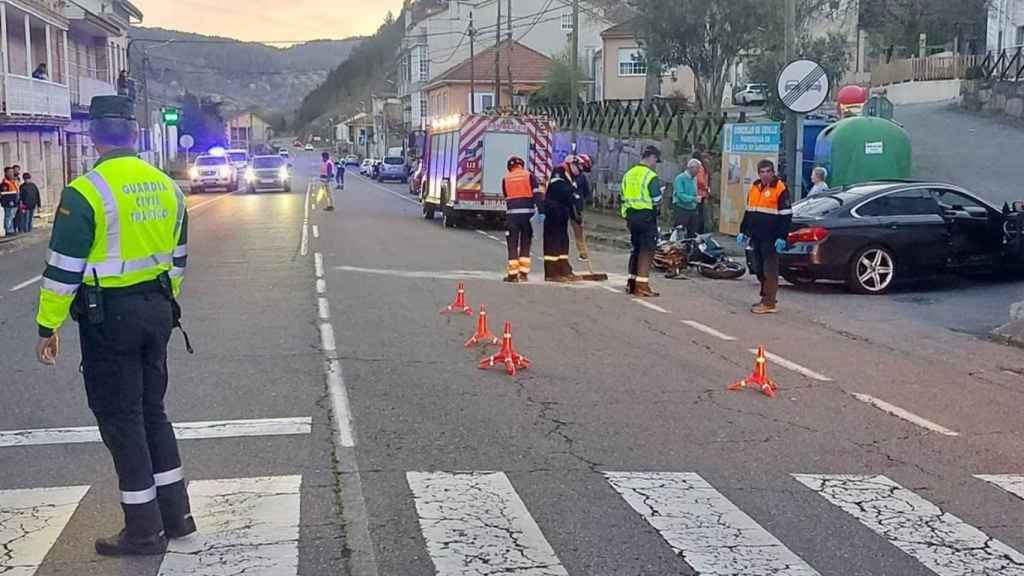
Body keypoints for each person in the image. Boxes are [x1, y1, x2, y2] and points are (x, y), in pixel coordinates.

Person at [34, 95, 195, 556]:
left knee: (121, 421)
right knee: (153, 413)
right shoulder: (168, 187)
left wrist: (48, 326)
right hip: (158, 310)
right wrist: (164, 303)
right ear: (135, 134)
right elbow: (179, 259)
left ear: (93, 135)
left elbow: (63, 270)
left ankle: (143, 530)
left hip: (111, 318)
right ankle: (176, 516)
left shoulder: (85, 191)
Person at [737, 159, 792, 314]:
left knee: (770, 270)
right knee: (759, 269)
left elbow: (786, 216)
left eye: (768, 171)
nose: (765, 175)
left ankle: (769, 302)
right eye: (762, 172)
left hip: (772, 237)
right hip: (756, 236)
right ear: (758, 173)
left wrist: (782, 236)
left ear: (773, 172)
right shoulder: (755, 188)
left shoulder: (780, 189)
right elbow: (749, 212)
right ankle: (764, 297)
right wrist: (743, 231)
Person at [620, 145, 664, 297]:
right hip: (646, 217)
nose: (655, 164)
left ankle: (631, 283)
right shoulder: (650, 176)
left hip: (631, 217)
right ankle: (642, 286)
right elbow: (657, 199)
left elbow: (623, 197)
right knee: (647, 250)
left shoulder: (628, 174)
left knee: (636, 249)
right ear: (651, 157)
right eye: (656, 160)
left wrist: (626, 215)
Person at [501, 156, 542, 282]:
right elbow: (537, 195)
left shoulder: (505, 179)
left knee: (512, 245)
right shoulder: (530, 176)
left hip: (512, 217)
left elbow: (507, 197)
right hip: (528, 216)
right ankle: (523, 274)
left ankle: (512, 275)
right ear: (522, 165)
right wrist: (541, 211)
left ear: (509, 167)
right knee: (526, 243)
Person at [543, 156, 582, 282]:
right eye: (578, 167)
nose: (579, 171)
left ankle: (564, 270)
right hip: (553, 214)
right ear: (571, 164)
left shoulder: (569, 176)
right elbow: (563, 191)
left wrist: (575, 213)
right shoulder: (558, 173)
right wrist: (573, 194)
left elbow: (572, 197)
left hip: (562, 214)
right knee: (552, 244)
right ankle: (551, 273)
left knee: (563, 242)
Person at [570, 153, 593, 261]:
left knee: (578, 232)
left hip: (575, 208)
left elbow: (587, 193)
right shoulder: (568, 174)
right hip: (568, 207)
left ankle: (583, 254)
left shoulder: (581, 177)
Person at [672, 159, 702, 238]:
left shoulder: (694, 178)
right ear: (691, 168)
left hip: (693, 209)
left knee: (692, 232)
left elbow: (694, 192)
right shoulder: (680, 178)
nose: (699, 171)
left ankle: (690, 248)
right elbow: (680, 195)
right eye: (698, 169)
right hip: (682, 208)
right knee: (679, 232)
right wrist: (694, 199)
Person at [693, 150, 710, 234]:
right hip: (702, 193)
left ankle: (698, 230)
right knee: (701, 212)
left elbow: (700, 181)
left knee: (698, 212)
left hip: (698, 193)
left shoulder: (699, 167)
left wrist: (704, 187)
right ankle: (701, 229)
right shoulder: (703, 167)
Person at [1, 167, 19, 235]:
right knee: (8, 216)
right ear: (6, 173)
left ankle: (12, 229)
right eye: (10, 172)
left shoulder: (14, 181)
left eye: (12, 172)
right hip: (9, 203)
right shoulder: (5, 183)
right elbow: (4, 194)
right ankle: (9, 230)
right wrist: (9, 201)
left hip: (14, 202)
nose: (12, 173)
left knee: (12, 216)